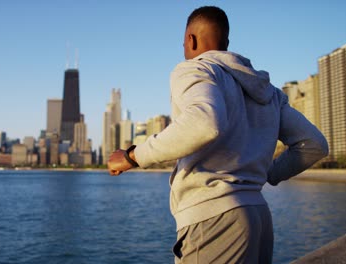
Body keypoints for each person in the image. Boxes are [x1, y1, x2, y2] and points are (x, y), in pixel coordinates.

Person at [107, 5, 328, 264]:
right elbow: (314, 145)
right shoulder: (268, 91)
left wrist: (133, 156)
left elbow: (204, 123)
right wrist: (265, 175)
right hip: (258, 216)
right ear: (226, 42)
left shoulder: (195, 69)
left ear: (190, 39)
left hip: (214, 219)